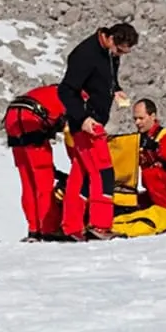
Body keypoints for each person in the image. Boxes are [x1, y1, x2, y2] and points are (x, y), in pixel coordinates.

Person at [58, 21, 139, 240]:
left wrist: (116, 90)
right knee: (103, 171)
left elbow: (105, 79)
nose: (120, 55)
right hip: (87, 123)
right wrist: (83, 118)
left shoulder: (109, 54)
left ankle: (72, 227)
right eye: (119, 50)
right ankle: (100, 225)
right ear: (111, 38)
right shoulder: (85, 55)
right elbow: (65, 90)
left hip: (94, 120)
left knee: (80, 175)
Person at [3, 84, 66, 240]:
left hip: (13, 118)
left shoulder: (53, 90)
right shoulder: (77, 94)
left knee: (28, 180)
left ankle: (33, 229)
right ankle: (48, 229)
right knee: (43, 180)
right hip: (31, 118)